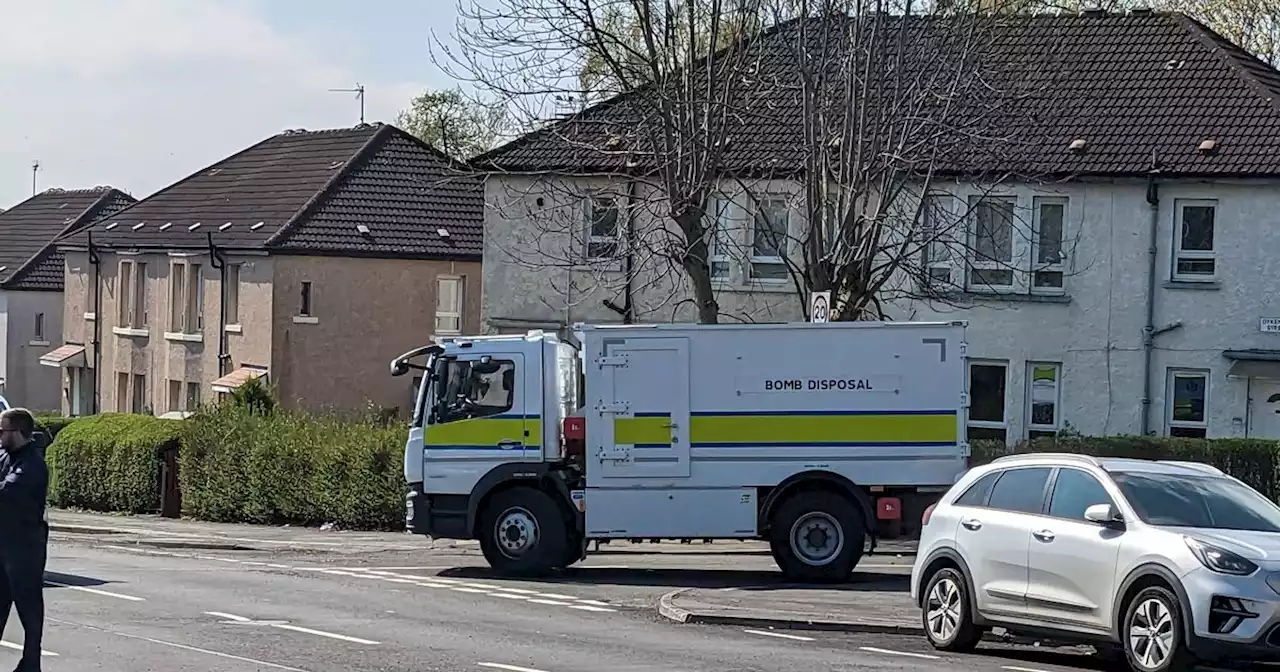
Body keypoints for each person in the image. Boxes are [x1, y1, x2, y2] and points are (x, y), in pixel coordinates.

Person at [0, 408, 49, 672]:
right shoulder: (5, 456)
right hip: (3, 543)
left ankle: (31, 662)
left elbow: (8, 492)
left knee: (28, 608)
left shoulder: (32, 463)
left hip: (25, 546)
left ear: (17, 432)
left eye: (2, 430)